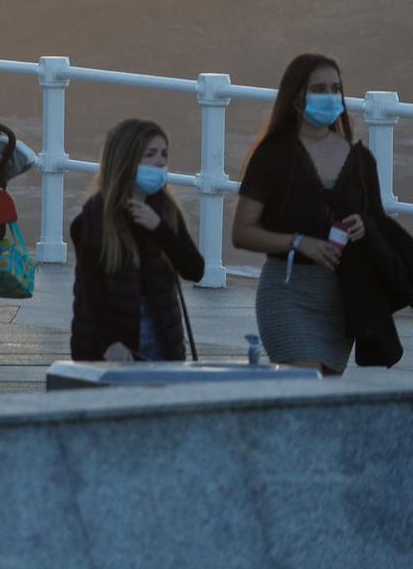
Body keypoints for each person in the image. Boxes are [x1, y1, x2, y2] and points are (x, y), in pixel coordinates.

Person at [231, 54, 383, 375]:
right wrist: (298, 242)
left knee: (319, 408)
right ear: (297, 95)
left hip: (340, 300)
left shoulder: (359, 159)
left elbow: (379, 223)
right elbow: (243, 231)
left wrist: (364, 226)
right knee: (304, 381)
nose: (329, 97)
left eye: (335, 89)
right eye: (319, 89)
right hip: (287, 294)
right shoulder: (273, 155)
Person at [69, 119, 204, 362]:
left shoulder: (166, 211)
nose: (160, 162)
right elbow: (91, 290)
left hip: (162, 336)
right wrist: (111, 342)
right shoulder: (94, 217)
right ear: (126, 160)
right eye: (150, 154)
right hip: (109, 342)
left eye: (164, 154)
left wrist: (159, 229)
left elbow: (194, 269)